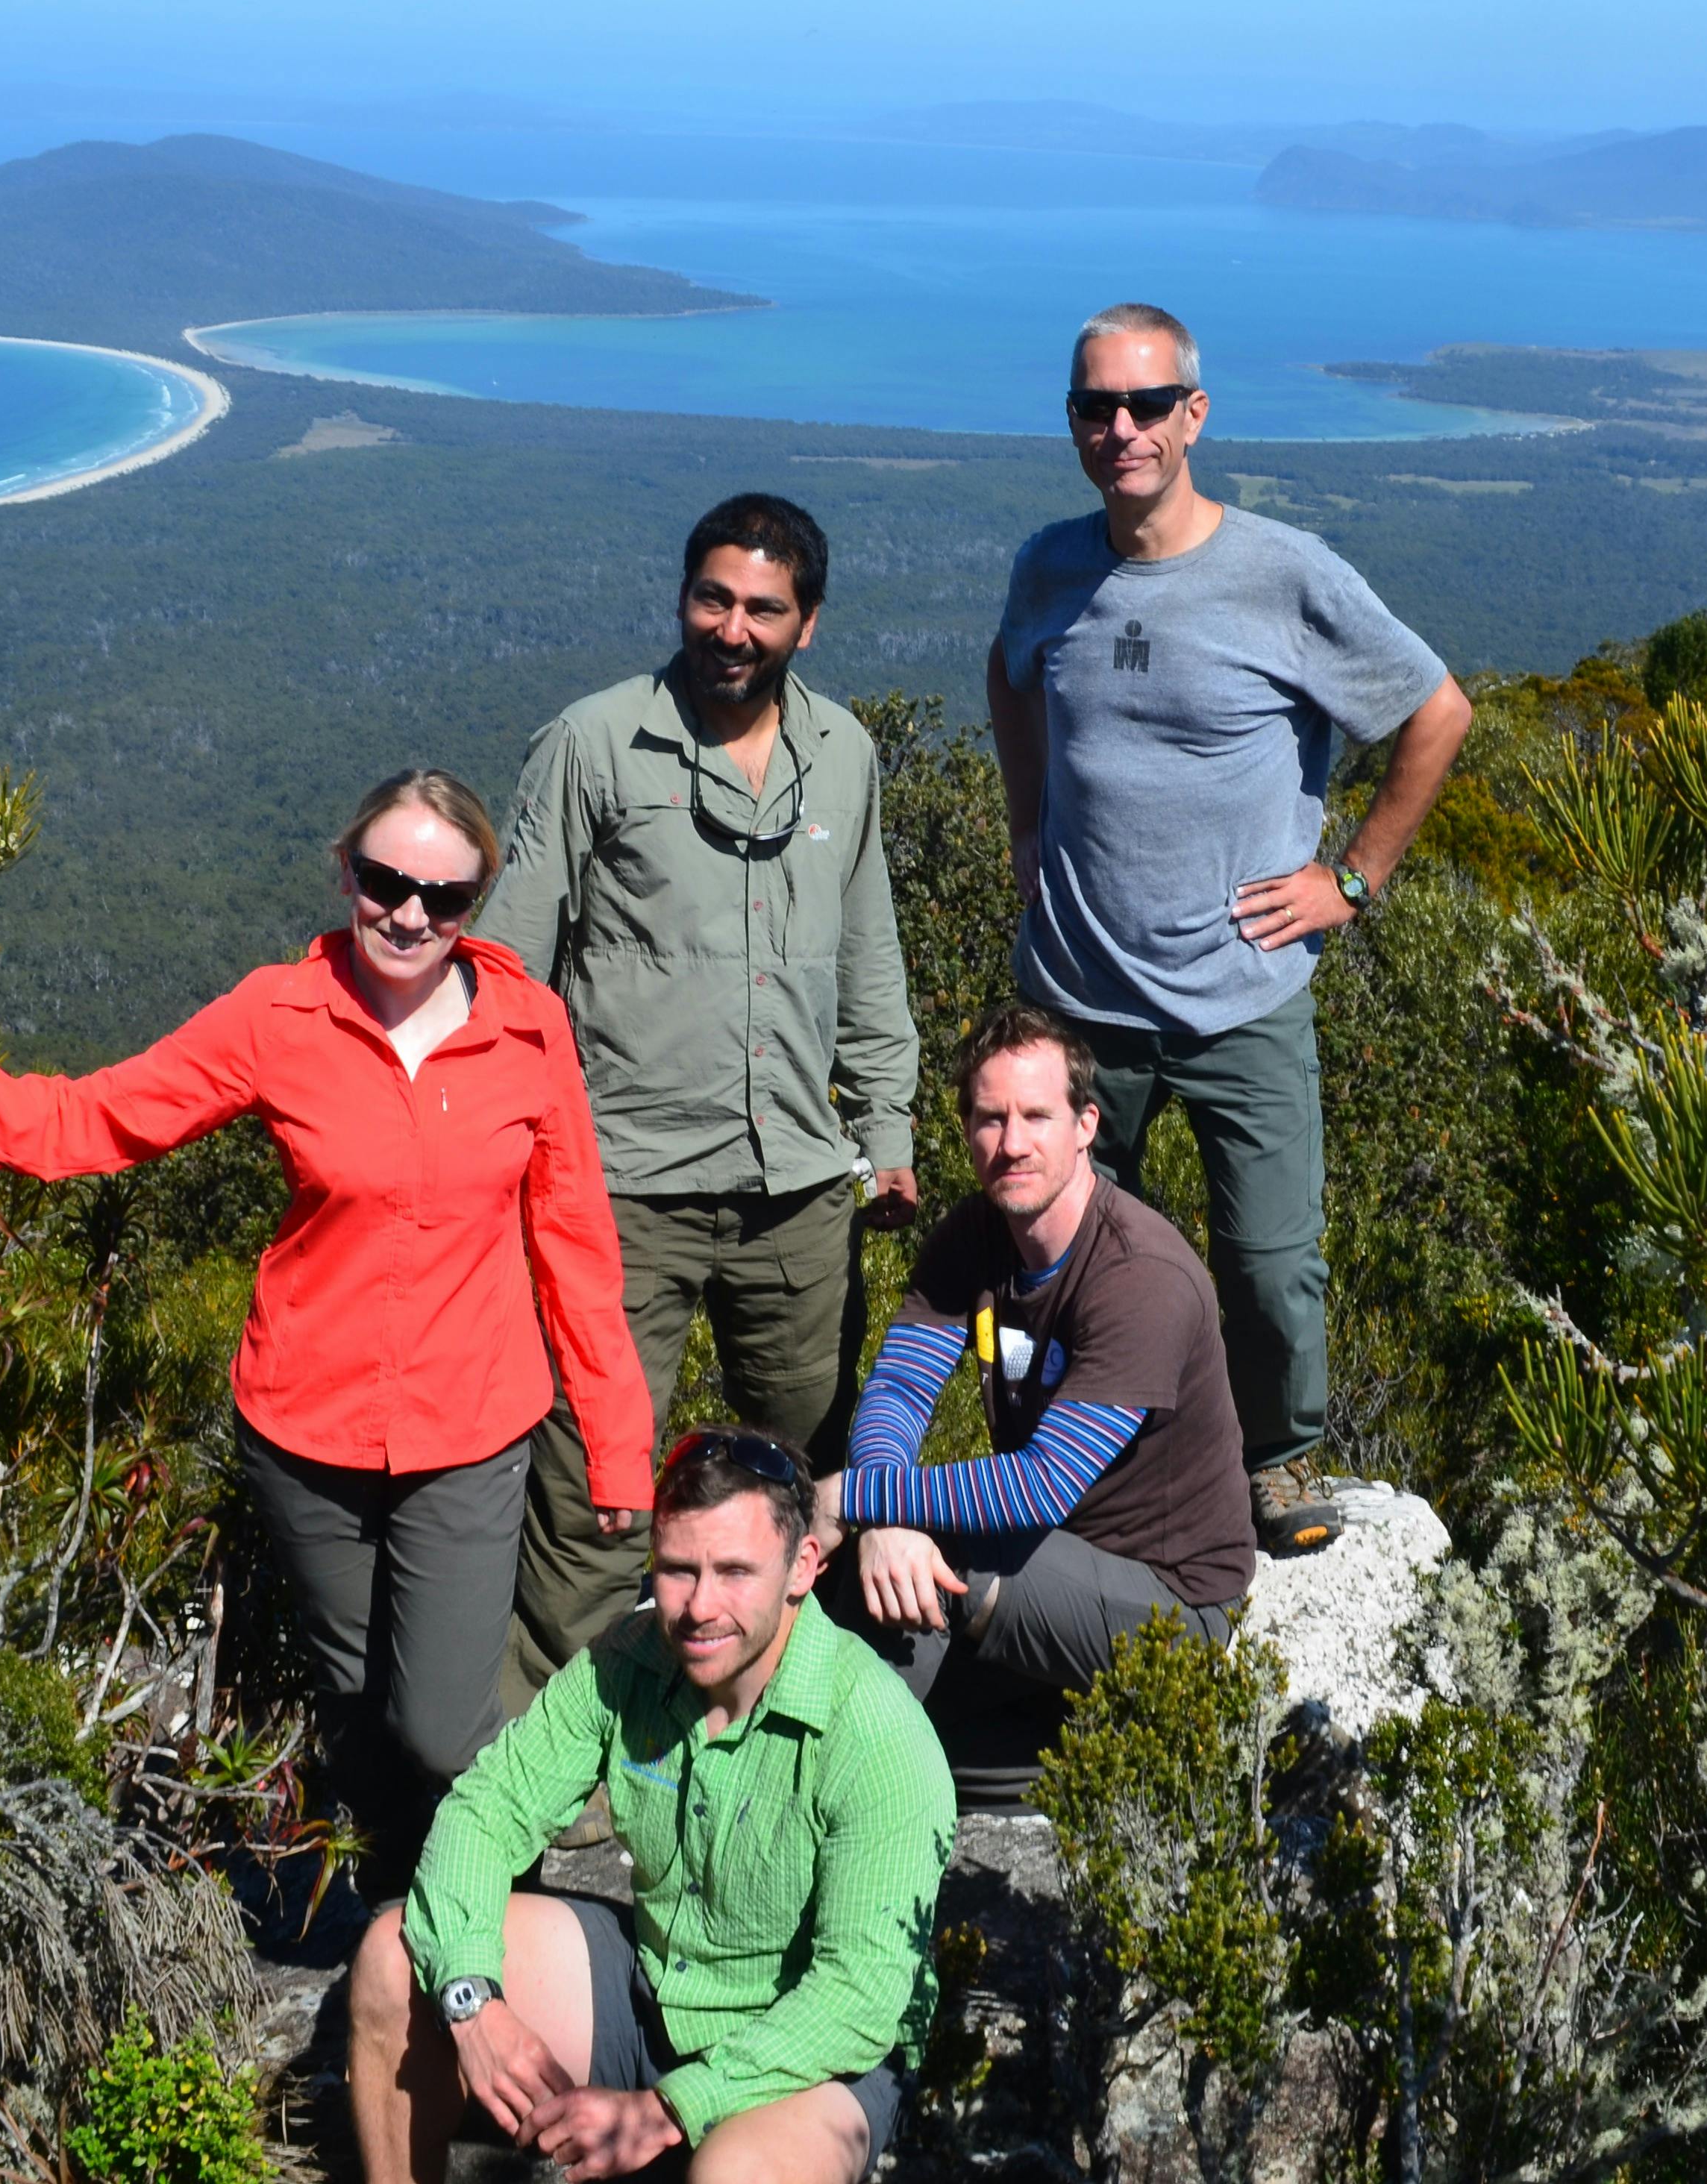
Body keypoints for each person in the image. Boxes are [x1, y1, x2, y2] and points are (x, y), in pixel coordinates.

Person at [0, 768, 654, 1843]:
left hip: (470, 1429)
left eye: (446, 896)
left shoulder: (528, 1031)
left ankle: (492, 1924)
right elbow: (92, 1121)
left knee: (439, 1725)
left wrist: (618, 1447)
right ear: (347, 872)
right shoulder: (278, 1017)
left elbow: (575, 1246)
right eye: (386, 880)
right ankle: (393, 1921)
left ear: (477, 905)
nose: (411, 913)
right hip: (305, 1429)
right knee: (357, 1712)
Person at [988, 301, 1476, 1555]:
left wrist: (1353, 879)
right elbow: (1010, 675)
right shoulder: (1049, 564)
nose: (1120, 429)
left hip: (1242, 989)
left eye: (1147, 404)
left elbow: (1435, 711)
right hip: (1080, 989)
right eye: (1095, 406)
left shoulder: (1283, 573)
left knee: (1263, 1256)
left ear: (1193, 414)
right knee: (1066, 1248)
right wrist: (1026, 828)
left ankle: (1276, 1455)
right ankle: (1078, 1462)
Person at [478, 492, 922, 1704]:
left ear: (807, 622)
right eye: (713, 598)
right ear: (683, 598)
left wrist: (887, 1124)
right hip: (621, 1192)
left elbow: (867, 950)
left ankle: (802, 1728)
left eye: (762, 607)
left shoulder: (844, 755)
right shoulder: (595, 743)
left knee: (807, 1481)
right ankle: (552, 1781)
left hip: (797, 1194)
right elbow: (505, 964)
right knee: (596, 1495)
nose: (733, 626)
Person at [349, 1428, 953, 2184]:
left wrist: (668, 2111)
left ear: (803, 1568)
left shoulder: (874, 1731)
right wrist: (474, 2003)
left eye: (734, 1572)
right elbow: (484, 1810)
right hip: (655, 1986)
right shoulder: (629, 1659)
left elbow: (855, 1999)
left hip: (807, 2055)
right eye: (676, 1570)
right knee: (392, 1961)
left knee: (736, 2176)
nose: (700, 1606)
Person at [812, 1005, 1256, 1798]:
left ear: (1085, 1124)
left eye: (1035, 1116)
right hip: (1046, 1563)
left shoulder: (1139, 1275)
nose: (1010, 1143)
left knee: (937, 1562)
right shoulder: (976, 1235)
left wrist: (855, 1494)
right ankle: (934, 1773)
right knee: (879, 1578)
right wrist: (881, 1516)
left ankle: (822, 1794)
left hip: (1168, 1599)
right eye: (989, 1118)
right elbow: (902, 1387)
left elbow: (1037, 1484)